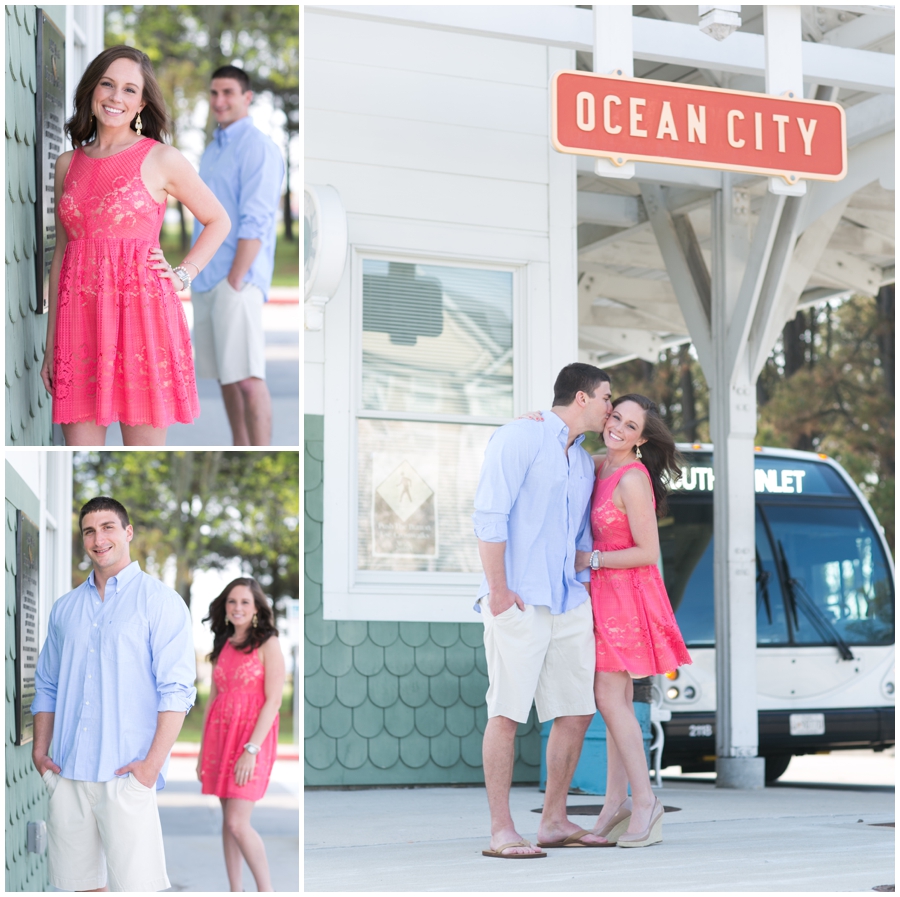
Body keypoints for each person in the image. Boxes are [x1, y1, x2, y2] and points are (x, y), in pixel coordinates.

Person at [40, 46, 231, 446]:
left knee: (143, 450)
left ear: (142, 102)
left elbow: (218, 220)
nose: (115, 97)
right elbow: (61, 255)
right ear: (92, 90)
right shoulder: (66, 165)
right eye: (107, 84)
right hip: (79, 324)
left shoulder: (161, 158)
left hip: (141, 320)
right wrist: (50, 346)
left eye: (129, 90)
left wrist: (183, 275)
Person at [473, 362, 613, 858]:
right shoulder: (518, 437)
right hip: (520, 599)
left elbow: (578, 533)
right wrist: (499, 591)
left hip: (568, 600)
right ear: (580, 398)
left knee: (576, 711)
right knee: (507, 713)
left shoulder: (579, 459)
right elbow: (490, 516)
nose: (609, 408)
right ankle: (501, 831)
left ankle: (553, 821)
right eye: (605, 399)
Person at [31, 497, 196, 891]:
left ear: (127, 533)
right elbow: (47, 684)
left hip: (127, 775)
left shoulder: (160, 603)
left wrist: (150, 767)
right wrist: (40, 751)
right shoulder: (65, 609)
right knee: (78, 888)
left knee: (137, 888)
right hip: (67, 774)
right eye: (89, 530)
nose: (98, 538)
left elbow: (176, 690)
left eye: (107, 527)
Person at [577, 394, 691, 848]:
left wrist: (594, 558)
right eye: (616, 418)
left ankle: (644, 801)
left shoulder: (633, 477)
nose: (618, 429)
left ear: (642, 438)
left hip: (624, 597)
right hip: (599, 595)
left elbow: (648, 551)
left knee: (609, 698)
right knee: (616, 703)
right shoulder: (596, 463)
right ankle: (614, 803)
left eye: (630, 426)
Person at [189, 65, 285, 446]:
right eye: (214, 93)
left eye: (227, 92)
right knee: (226, 377)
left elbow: (257, 220)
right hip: (207, 278)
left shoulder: (258, 147)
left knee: (247, 377)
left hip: (236, 279)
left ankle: (258, 450)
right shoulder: (212, 150)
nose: (219, 101)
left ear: (246, 97)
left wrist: (236, 278)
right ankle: (240, 446)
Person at [197, 578, 285, 892]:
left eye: (245, 602)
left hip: (251, 740)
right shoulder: (223, 642)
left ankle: (266, 890)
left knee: (238, 822)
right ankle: (236, 890)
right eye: (232, 602)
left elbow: (274, 700)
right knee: (228, 823)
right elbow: (213, 698)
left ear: (257, 607)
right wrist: (201, 752)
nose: (237, 608)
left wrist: (251, 749)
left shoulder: (268, 642)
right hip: (220, 739)